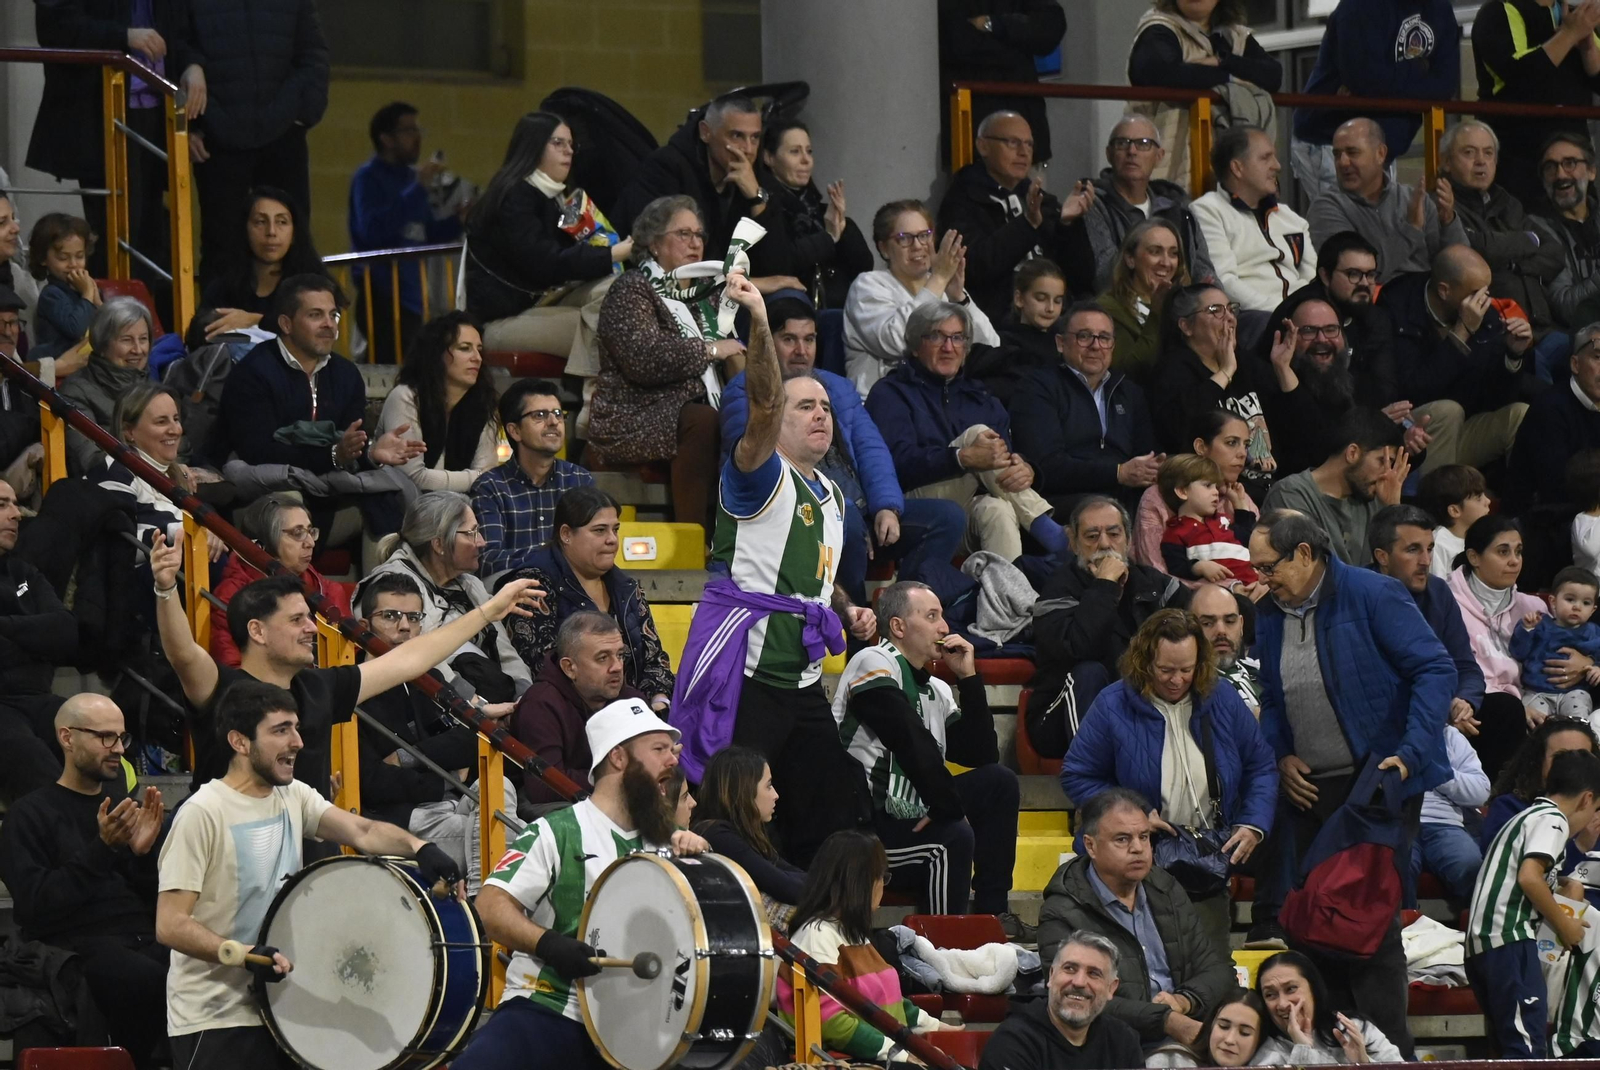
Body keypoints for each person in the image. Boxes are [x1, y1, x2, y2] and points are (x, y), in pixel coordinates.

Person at [669, 274, 876, 867]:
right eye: (805, 405)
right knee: (727, 814)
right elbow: (761, 400)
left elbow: (814, 576)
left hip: (803, 678)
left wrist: (844, 607)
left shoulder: (832, 494)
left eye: (826, 407)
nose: (821, 415)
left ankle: (818, 926)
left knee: (833, 809)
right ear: (778, 421)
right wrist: (759, 321)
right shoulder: (757, 471)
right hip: (750, 671)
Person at [156, 679, 463, 1070]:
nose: (298, 742)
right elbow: (170, 924)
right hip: (216, 1018)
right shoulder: (203, 813)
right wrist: (242, 954)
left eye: (296, 728)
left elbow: (362, 831)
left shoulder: (292, 795)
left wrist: (421, 849)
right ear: (240, 741)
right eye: (281, 730)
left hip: (285, 1012)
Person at [1246, 509, 1455, 1058]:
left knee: (1365, 924)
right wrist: (1281, 753)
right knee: (1310, 926)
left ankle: (1392, 1056)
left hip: (1375, 785)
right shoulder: (1269, 612)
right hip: (1308, 787)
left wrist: (1408, 755)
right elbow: (1271, 697)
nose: (1260, 580)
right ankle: (1327, 1053)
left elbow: (1436, 669)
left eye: (1269, 567)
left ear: (1306, 555)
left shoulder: (1374, 593)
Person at [150, 528, 543, 795]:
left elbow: (409, 660)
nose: (312, 628)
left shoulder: (319, 686)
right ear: (257, 631)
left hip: (304, 857)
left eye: (309, 617)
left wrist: (489, 610)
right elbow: (182, 653)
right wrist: (166, 589)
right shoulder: (222, 689)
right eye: (296, 620)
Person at [449, 698, 710, 1070]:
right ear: (619, 758)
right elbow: (489, 906)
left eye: (673, 751)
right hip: (549, 1006)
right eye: (659, 750)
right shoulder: (557, 831)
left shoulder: (674, 843)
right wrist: (548, 943)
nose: (673, 761)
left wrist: (702, 866)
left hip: (638, 1028)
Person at [720, 298, 966, 607]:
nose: (801, 350)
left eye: (809, 339)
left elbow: (870, 449)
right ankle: (852, 619)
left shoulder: (836, 387)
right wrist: (841, 511)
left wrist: (886, 506)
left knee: (948, 518)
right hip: (798, 516)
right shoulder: (747, 391)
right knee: (843, 517)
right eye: (789, 339)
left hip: (858, 509)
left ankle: (904, 610)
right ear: (768, 344)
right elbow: (754, 458)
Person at [1061, 612, 1276, 955]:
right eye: (1166, 670)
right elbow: (1077, 774)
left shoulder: (1223, 699)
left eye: (1187, 670)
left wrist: (1252, 823)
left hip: (1205, 858)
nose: (1177, 680)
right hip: (1135, 860)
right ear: (1145, 661)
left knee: (1210, 970)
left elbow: (1261, 766)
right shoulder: (1112, 703)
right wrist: (1134, 813)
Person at [833, 581, 1021, 924]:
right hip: (868, 826)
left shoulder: (936, 688)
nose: (944, 627)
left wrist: (968, 678)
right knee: (951, 836)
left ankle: (994, 914)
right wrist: (948, 806)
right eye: (932, 616)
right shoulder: (873, 660)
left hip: (915, 814)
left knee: (1000, 782)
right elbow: (906, 736)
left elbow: (982, 754)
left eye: (942, 616)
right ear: (898, 627)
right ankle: (942, 950)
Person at [0, 694, 167, 1070]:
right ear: (67, 737)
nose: (117, 750)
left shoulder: (123, 807)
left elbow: (152, 899)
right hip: (77, 944)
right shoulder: (29, 815)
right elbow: (36, 906)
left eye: (122, 739)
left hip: (143, 936)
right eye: (105, 738)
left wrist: (142, 857)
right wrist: (103, 848)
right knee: (146, 979)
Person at [216, 274, 424, 547]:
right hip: (262, 495)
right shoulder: (253, 372)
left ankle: (387, 586)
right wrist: (333, 455)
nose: (329, 325)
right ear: (286, 323)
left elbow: (347, 446)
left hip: (329, 487)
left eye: (333, 315)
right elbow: (257, 451)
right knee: (291, 500)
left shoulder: (346, 374)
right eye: (316, 315)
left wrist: (370, 452)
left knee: (384, 499)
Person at [1037, 789, 1239, 1049]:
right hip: (1111, 1046)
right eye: (1122, 839)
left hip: (1185, 1029)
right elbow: (1076, 997)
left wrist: (1184, 1001)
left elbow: (1219, 970)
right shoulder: (1063, 909)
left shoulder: (1166, 888)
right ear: (1091, 846)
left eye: (1144, 837)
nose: (1138, 848)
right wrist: (1165, 1020)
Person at [867, 301, 1067, 562]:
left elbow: (1003, 456)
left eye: (957, 338)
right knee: (978, 435)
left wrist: (1024, 468)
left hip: (970, 506)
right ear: (916, 346)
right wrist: (960, 458)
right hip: (912, 506)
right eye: (937, 336)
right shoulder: (891, 393)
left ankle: (1010, 599)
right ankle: (1052, 535)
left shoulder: (981, 397)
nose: (949, 347)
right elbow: (895, 466)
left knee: (997, 509)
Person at [355, 571, 514, 894]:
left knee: (504, 790)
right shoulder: (352, 687)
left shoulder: (425, 678)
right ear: (364, 626)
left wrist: (405, 757)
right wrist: (442, 777)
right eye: (390, 616)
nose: (404, 627)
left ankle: (480, 902)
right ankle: (481, 905)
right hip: (395, 819)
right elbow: (372, 784)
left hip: (447, 801)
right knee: (520, 847)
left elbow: (470, 737)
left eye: (414, 617)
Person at [587, 195, 738, 528]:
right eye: (683, 234)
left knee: (750, 417)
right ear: (654, 244)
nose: (695, 243)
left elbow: (735, 349)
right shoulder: (632, 289)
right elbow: (644, 358)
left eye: (699, 235)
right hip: (637, 411)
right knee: (703, 420)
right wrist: (710, 351)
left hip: (686, 408)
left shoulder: (706, 295)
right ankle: (694, 535)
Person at [28, 0, 196, 288]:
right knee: (112, 235)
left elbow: (183, 27)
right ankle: (111, 320)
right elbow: (55, 26)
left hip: (158, 113)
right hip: (100, 115)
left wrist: (195, 64)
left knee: (151, 235)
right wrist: (124, 36)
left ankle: (142, 326)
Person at [775, 829, 957, 1061]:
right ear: (860, 883)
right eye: (882, 877)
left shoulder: (850, 933)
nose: (883, 885)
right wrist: (900, 1055)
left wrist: (937, 1028)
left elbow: (884, 1000)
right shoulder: (817, 935)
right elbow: (830, 1022)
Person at [463, 111, 626, 366]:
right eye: (558, 143)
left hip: (542, 304)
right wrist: (611, 254)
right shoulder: (514, 196)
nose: (569, 151)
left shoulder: (554, 197)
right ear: (533, 147)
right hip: (504, 320)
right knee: (615, 330)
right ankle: (593, 404)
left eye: (571, 144)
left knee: (623, 290)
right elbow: (545, 263)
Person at [1031, 496, 1189, 758]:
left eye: (1113, 533)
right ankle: (1093, 778)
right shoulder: (1057, 589)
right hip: (1061, 714)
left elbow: (1195, 632)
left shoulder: (1156, 585)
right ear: (1073, 542)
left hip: (1140, 707)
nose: (1104, 544)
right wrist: (1105, 586)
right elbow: (1077, 647)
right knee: (1089, 672)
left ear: (1128, 538)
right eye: (1092, 536)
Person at [1467, 748, 1600, 1058]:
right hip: (1508, 939)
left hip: (1485, 946)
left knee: (1508, 1045)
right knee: (1527, 1046)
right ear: (1586, 799)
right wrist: (1564, 925)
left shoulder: (1529, 816)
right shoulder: (1553, 821)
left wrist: (1566, 885)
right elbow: (1529, 878)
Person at [492, 486, 674, 707]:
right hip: (568, 716)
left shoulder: (626, 587)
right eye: (599, 531)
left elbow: (654, 659)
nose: (612, 540)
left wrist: (658, 701)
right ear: (566, 534)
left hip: (633, 712)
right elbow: (543, 666)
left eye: (615, 529)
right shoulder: (533, 585)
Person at [188, 0, 328, 284]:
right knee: (222, 247)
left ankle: (295, 324)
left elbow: (313, 52)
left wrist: (304, 113)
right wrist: (190, 125)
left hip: (283, 132)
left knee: (293, 241)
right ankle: (222, 326)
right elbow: (177, 46)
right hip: (216, 134)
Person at [360, 491, 534, 700]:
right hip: (436, 708)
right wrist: (476, 706)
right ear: (439, 544)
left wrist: (524, 697)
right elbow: (419, 659)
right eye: (472, 533)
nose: (482, 542)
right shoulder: (391, 586)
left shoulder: (470, 583)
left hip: (493, 698)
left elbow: (506, 653)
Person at [1378, 244, 1533, 473]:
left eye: (1487, 291)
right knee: (1448, 411)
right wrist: (1461, 333)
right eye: (1475, 293)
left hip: (1463, 427)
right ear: (1444, 290)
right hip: (1411, 431)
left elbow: (1498, 398)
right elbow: (1413, 390)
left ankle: (1519, 507)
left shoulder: (1485, 314)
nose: (1485, 301)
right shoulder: (1397, 307)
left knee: (1520, 413)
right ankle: (1440, 503)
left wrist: (1513, 354)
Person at [1289, 0, 1460, 204]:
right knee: (1347, 229)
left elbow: (1446, 85)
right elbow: (1365, 79)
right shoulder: (1360, 6)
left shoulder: (1440, 8)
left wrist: (1386, 80)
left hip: (1383, 146)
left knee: (1379, 232)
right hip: (1332, 141)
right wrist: (1420, 69)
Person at [936, 110, 1094, 321]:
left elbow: (1082, 278)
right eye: (1012, 142)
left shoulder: (1041, 200)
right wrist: (1027, 225)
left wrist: (1068, 224)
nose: (1023, 152)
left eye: (1029, 144)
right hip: (996, 323)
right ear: (982, 146)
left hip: (1054, 321)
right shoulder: (962, 201)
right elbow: (976, 268)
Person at [1441, 119, 1568, 379]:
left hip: (1544, 329)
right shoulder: (1443, 206)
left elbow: (1555, 252)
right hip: (1498, 334)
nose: (1481, 161)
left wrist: (1512, 264)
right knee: (1544, 385)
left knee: (1589, 355)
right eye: (1469, 152)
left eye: (1488, 153)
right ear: (1446, 162)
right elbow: (1474, 248)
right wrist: (1526, 240)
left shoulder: (1507, 202)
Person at [1009, 300, 1160, 517]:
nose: (1096, 346)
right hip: (1066, 498)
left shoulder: (1129, 392)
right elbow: (1046, 467)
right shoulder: (1037, 388)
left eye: (1104, 338)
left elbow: (1145, 455)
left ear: (1113, 346)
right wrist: (1117, 473)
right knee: (1104, 510)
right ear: (1061, 343)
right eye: (1084, 336)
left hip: (1124, 494)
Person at [845, 199, 999, 398]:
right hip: (880, 403)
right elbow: (896, 341)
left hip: (938, 401)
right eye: (904, 238)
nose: (918, 246)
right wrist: (939, 279)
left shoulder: (941, 286)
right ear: (883, 248)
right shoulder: (868, 285)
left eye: (924, 236)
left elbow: (991, 346)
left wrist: (958, 297)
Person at [348, 102, 463, 363]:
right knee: (385, 371)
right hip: (381, 292)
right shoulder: (368, 178)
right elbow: (373, 232)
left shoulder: (411, 179)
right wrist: (417, 189)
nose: (418, 137)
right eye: (409, 130)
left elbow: (424, 234)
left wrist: (460, 220)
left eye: (418, 129)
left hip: (412, 296)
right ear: (386, 138)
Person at [1448, 515, 1561, 778]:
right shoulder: (1446, 602)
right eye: (1503, 551)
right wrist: (1520, 705)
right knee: (1505, 708)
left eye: (1519, 551)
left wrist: (1583, 664)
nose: (1514, 560)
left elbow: (1548, 661)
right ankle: (1505, 798)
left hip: (1531, 698)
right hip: (1474, 702)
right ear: (1474, 557)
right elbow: (1455, 669)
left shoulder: (1534, 607)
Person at [1367, 504, 1488, 748]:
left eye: (1430, 549)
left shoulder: (1438, 591)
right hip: (1384, 717)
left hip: (1438, 707)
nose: (1425, 561)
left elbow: (1466, 667)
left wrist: (1463, 701)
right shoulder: (1358, 595)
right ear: (1382, 557)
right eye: (1413, 550)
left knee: (1503, 710)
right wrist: (1441, 707)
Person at [1125, 2, 1281, 188]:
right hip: (1171, 162)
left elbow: (1272, 75)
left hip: (1222, 163)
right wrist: (1232, 77)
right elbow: (1161, 73)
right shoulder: (1158, 28)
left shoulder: (1233, 36)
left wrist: (1220, 61)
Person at [1148, 283, 1278, 501]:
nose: (1229, 319)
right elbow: (1182, 430)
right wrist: (1225, 372)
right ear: (1186, 326)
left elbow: (1290, 424)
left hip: (1268, 487)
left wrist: (1283, 371)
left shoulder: (1246, 362)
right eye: (1215, 311)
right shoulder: (1173, 370)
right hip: (1214, 494)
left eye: (1231, 309)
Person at [510, 611, 648, 811]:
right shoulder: (540, 705)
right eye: (603, 658)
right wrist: (625, 778)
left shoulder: (632, 700)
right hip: (557, 815)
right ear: (569, 668)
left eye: (620, 655)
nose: (617, 667)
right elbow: (544, 786)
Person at [614, 95, 774, 261]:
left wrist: (756, 199)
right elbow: (665, 255)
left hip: (722, 280)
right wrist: (744, 280)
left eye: (755, 137)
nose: (748, 149)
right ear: (705, 132)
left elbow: (777, 264)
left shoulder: (753, 176)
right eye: (736, 136)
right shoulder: (666, 167)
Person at [1472, 0, 1600, 207]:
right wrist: (1568, 35)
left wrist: (1588, 49)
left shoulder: (1575, 13)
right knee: (1526, 231)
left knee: (1583, 228)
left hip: (1574, 148)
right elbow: (1522, 77)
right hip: (1518, 153)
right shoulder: (1498, 11)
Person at [1307, 118, 1468, 282]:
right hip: (1368, 303)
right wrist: (1411, 228)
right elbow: (1356, 275)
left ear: (1380, 154)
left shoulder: (1414, 199)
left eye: (1352, 152)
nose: (1343, 162)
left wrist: (1448, 220)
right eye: (1337, 154)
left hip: (1426, 298)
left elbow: (1460, 267)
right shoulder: (1326, 207)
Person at [1259, 231, 1399, 414]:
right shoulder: (1302, 313)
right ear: (1325, 276)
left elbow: (1385, 386)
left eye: (1371, 274)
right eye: (1353, 274)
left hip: (1365, 417)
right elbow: (1312, 388)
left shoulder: (1374, 316)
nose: (1365, 283)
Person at [0, 478, 78, 803]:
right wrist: (34, 633)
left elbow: (65, 632)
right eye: (2, 505)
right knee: (36, 766)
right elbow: (48, 631)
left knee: (96, 737)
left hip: (39, 698)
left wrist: (5, 627)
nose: (17, 514)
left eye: (16, 503)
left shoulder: (24, 575)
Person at [472, 378, 596, 579]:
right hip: (515, 592)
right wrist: (549, 557)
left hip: (572, 591)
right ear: (515, 431)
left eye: (557, 414)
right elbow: (487, 559)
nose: (554, 422)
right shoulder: (491, 486)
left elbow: (591, 550)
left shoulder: (580, 481)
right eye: (540, 415)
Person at [209, 494, 352, 667]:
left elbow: (349, 661)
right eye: (298, 533)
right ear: (262, 544)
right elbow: (232, 669)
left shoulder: (326, 588)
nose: (310, 543)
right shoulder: (231, 597)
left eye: (310, 531)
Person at [1190, 125, 1316, 315]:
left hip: (1302, 317)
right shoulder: (1207, 210)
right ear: (1237, 168)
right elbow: (1224, 281)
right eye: (1266, 158)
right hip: (1250, 317)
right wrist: (1282, 313)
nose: (1277, 166)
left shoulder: (1289, 217)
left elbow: (1312, 278)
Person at [1082, 116, 1215, 294]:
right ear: (1109, 154)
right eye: (1122, 143)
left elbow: (1204, 271)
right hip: (1122, 310)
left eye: (1143, 143)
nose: (1132, 151)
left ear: (1159, 156)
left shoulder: (1178, 207)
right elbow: (1106, 277)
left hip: (1180, 309)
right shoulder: (1092, 203)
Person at [749, 118, 873, 310]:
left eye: (809, 151)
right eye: (795, 152)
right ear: (769, 158)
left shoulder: (821, 211)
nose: (805, 160)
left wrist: (842, 228)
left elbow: (864, 267)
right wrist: (829, 238)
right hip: (786, 315)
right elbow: (781, 263)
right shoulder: (761, 211)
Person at [978, 930, 1144, 1070]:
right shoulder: (1012, 1043)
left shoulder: (1123, 1041)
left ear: (1111, 988)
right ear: (1051, 976)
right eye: (1070, 969)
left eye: (1094, 973)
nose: (1079, 982)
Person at [1262, 408, 1407, 565]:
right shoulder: (1291, 494)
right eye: (1382, 461)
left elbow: (1400, 569)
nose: (1387, 474)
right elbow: (1315, 571)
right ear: (1352, 453)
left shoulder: (1376, 501)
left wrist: (1392, 509)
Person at [376, 311, 501, 493]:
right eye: (465, 348)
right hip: (407, 511)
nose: (477, 358)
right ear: (437, 354)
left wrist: (485, 478)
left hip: (461, 511)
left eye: (479, 350)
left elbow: (489, 480)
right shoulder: (406, 397)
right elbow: (412, 478)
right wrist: (478, 477)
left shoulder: (482, 403)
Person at [937, 0, 1068, 166]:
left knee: (1032, 191)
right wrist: (1019, 46)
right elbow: (957, 42)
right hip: (970, 137)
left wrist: (994, 24)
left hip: (1027, 129)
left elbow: (1051, 28)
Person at [1136, 410, 1255, 578]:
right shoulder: (1157, 497)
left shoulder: (1242, 499)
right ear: (1201, 447)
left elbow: (1262, 560)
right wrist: (1228, 590)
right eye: (1231, 443)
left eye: (1246, 444)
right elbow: (1157, 574)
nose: (1243, 454)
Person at [691, 744, 806, 912]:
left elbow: (787, 871)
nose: (776, 795)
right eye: (768, 786)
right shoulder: (718, 836)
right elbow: (786, 887)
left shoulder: (743, 831)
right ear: (744, 791)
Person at [199, 187, 327, 338]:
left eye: (281, 222)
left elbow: (317, 331)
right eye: (260, 222)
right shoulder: (223, 286)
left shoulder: (313, 285)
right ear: (245, 230)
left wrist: (253, 320)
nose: (271, 231)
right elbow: (199, 333)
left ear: (294, 234)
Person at [1252, 950, 1406, 1064]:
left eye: (1291, 989)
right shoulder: (1265, 1054)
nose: (1283, 1003)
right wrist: (1303, 1050)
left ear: (1313, 989)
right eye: (1270, 995)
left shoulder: (1354, 1027)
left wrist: (1364, 1064)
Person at [57, 296, 154, 474]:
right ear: (102, 344)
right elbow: (88, 460)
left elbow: (181, 446)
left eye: (143, 339)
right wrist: (160, 466)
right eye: (126, 340)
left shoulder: (151, 386)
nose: (138, 350)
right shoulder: (75, 392)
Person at [1512, 322, 1600, 514]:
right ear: (1575, 364)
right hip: (1543, 521)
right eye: (1598, 357)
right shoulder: (1549, 409)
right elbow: (1556, 490)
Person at [1097, 219, 1191, 385]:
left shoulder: (1186, 304)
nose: (1166, 263)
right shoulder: (1108, 309)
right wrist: (1155, 315)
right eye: (1155, 252)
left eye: (1173, 253)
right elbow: (1128, 371)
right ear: (1130, 259)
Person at [1482, 717, 1600, 849]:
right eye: (1560, 757)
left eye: (1582, 757)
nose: (1571, 767)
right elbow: (1509, 865)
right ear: (1538, 762)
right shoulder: (1509, 808)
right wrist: (1580, 845)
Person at [969, 258, 1067, 407]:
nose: (1051, 308)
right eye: (1041, 298)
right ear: (1019, 298)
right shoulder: (1002, 343)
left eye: (1058, 301)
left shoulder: (1065, 344)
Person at [1411, 724, 1490, 906]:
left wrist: (1439, 774)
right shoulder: (1381, 730)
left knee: (1470, 865)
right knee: (1395, 869)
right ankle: (1402, 929)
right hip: (1395, 821)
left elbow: (1481, 792)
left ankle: (1476, 928)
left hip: (1444, 823)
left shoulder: (1449, 735)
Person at [1511, 566, 1600, 723]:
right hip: (1537, 692)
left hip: (1574, 692)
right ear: (1553, 601)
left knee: (1578, 720)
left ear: (1593, 610)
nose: (1577, 607)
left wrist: (1596, 667)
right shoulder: (1539, 625)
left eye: (1585, 603)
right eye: (1570, 599)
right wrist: (1527, 629)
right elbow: (1518, 652)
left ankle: (1578, 743)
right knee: (1536, 724)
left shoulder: (1594, 633)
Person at [1156, 455, 1259, 589]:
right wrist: (1198, 567)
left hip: (1255, 585)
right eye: (1207, 485)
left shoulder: (1223, 521)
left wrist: (1238, 503)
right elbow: (1176, 565)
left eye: (1216, 486)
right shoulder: (1176, 531)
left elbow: (1248, 539)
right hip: (1222, 595)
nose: (1216, 492)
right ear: (1182, 491)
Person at [1535, 133, 1600, 333]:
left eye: (1570, 163)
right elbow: (1566, 308)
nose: (1561, 175)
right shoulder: (1536, 229)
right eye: (1551, 167)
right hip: (1576, 341)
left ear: (1591, 171)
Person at [27, 213, 101, 362]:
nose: (73, 264)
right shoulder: (51, 295)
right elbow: (76, 329)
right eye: (63, 258)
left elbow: (112, 328)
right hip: (61, 366)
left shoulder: (84, 289)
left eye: (79, 256)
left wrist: (98, 301)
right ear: (43, 258)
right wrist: (87, 295)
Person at [1150, 988, 1268, 1067]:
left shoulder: (1275, 1062)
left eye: (1244, 1033)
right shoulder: (1171, 1061)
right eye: (1223, 1026)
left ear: (1260, 1040)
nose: (1229, 1040)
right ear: (1211, 1025)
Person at [1189, 581, 1260, 712]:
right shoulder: (1186, 687)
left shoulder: (1261, 672)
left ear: (1241, 625)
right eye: (1207, 623)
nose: (1221, 630)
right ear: (1190, 627)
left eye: (1230, 621)